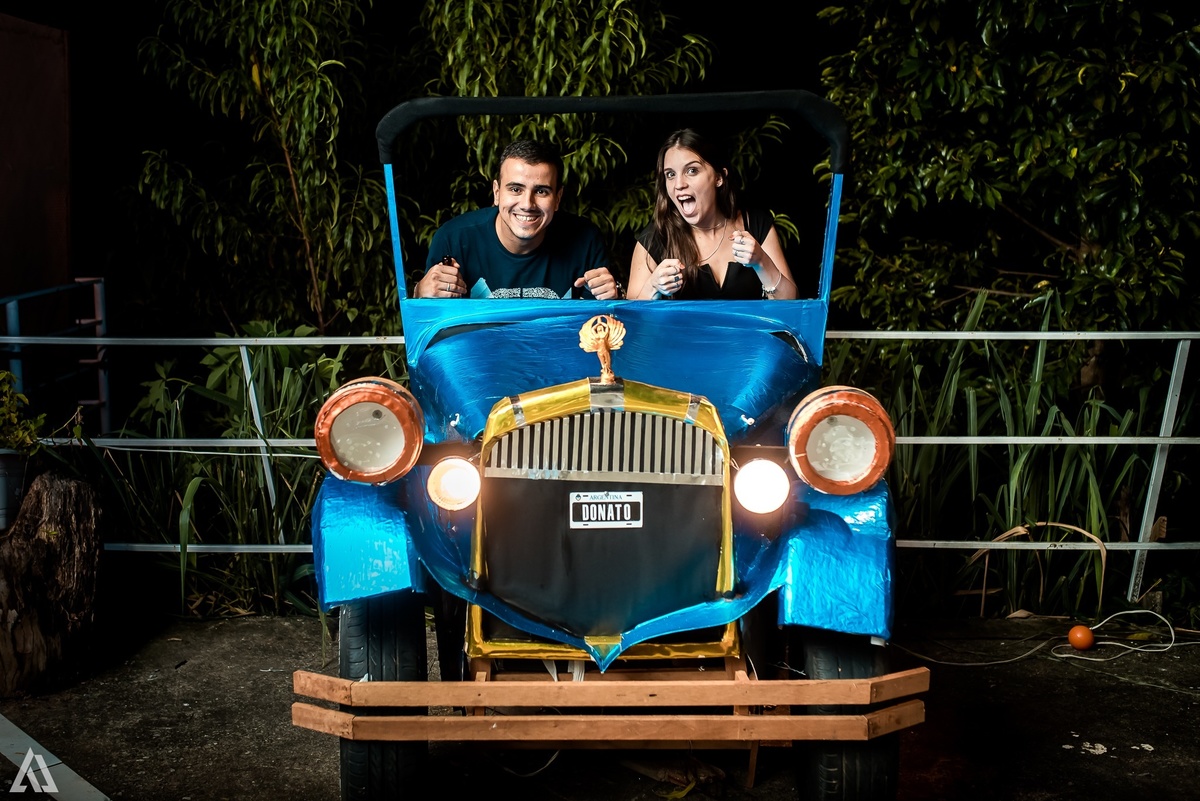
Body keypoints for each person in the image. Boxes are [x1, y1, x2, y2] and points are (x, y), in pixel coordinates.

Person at [416, 140, 621, 300]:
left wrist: (614, 298)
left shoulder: (585, 239)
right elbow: (433, 328)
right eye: (515, 189)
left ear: (557, 199)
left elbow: (600, 329)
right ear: (496, 192)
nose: (527, 204)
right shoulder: (454, 238)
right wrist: (420, 293)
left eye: (541, 191)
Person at [627, 129, 797, 300]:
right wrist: (653, 286)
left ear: (719, 178)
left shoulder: (755, 224)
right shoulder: (656, 237)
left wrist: (762, 262)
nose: (678, 184)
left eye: (692, 170)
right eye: (670, 175)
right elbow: (628, 319)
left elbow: (792, 305)